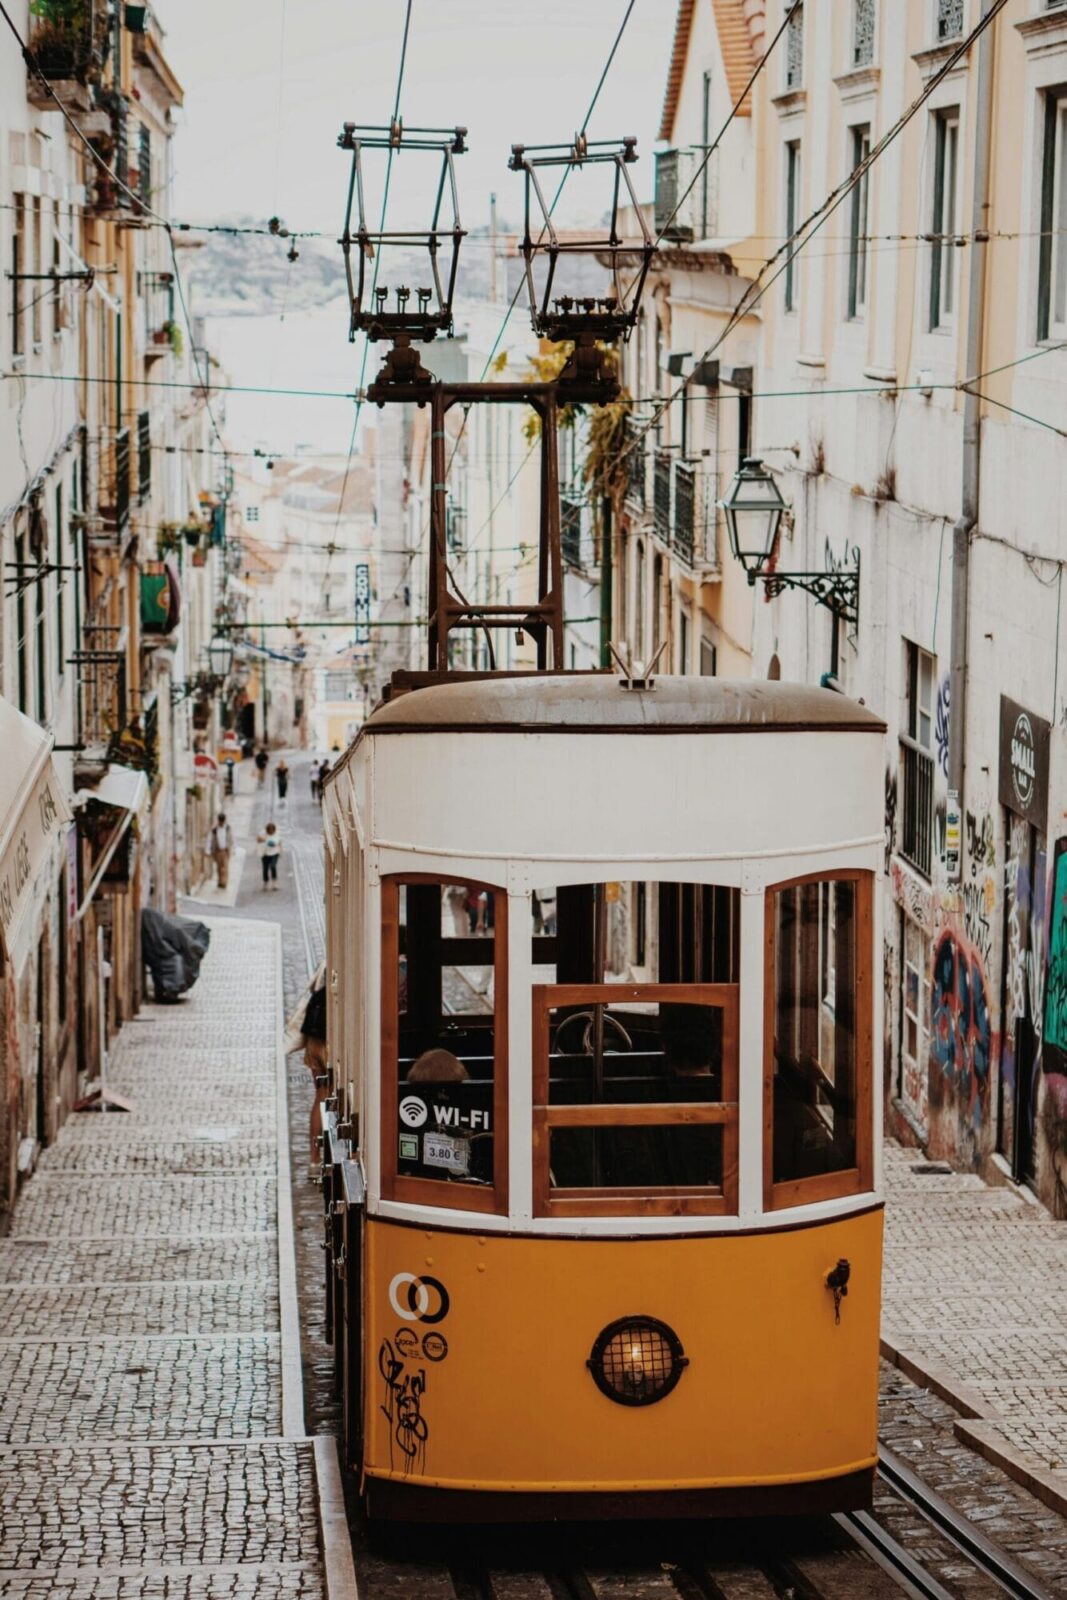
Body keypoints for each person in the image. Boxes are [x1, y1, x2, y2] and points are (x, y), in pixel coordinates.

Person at [283, 964, 329, 1171]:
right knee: (326, 1096)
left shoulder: (324, 965)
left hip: (314, 1040)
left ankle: (314, 1159)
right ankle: (318, 1159)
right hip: (328, 1041)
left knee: (320, 1096)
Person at [207, 813, 232, 889]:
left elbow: (231, 839)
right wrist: (208, 850)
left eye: (222, 820)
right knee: (218, 867)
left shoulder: (227, 828)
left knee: (224, 867)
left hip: (225, 850)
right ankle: (220, 881)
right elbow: (210, 839)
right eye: (220, 820)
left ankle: (224, 882)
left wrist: (232, 849)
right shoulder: (215, 830)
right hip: (217, 851)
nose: (221, 822)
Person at [258, 820, 281, 889]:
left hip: (274, 853)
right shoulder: (263, 833)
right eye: (269, 831)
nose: (271, 832)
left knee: (273, 866)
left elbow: (273, 843)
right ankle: (266, 882)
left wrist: (264, 840)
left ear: (274, 830)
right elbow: (258, 839)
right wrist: (260, 839)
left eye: (272, 831)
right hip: (265, 854)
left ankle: (274, 882)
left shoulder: (276, 834)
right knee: (265, 869)